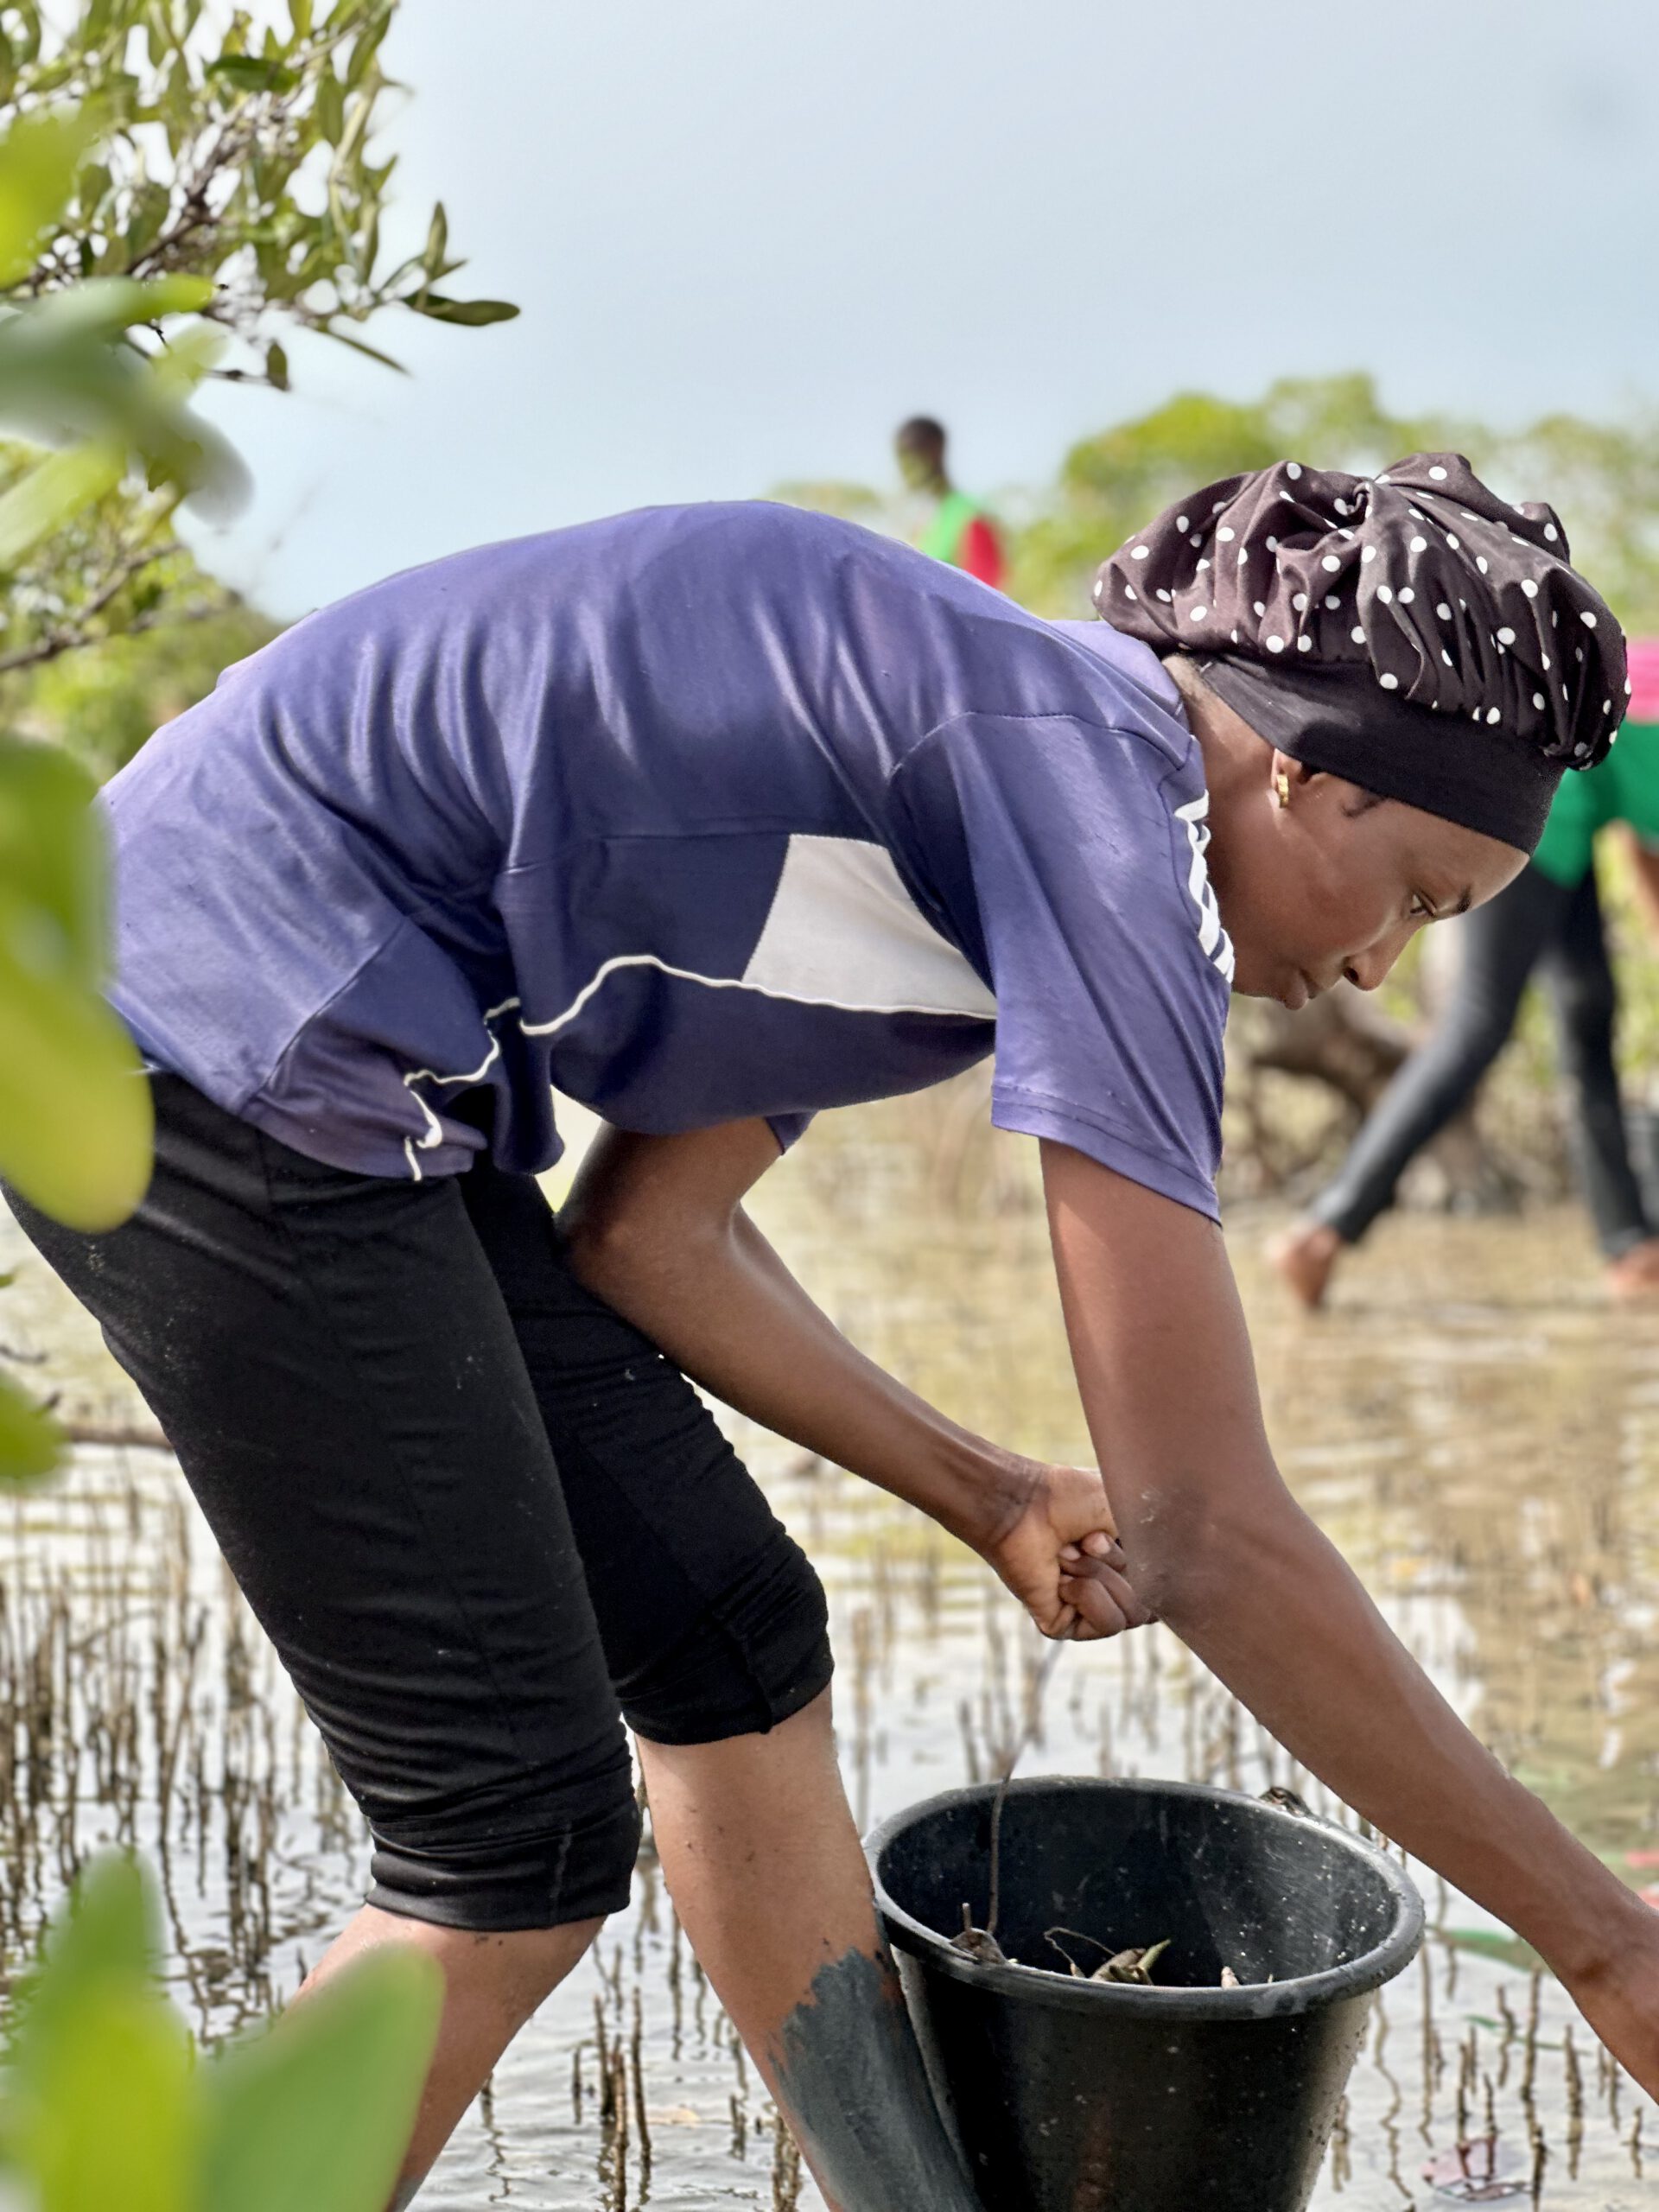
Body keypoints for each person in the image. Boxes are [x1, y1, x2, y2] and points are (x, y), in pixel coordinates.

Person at [8, 461, 1659, 2211]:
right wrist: (1609, 1945)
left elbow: (652, 1237)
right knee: (506, 1845)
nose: (1387, 966)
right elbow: (1209, 1531)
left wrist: (988, 1490)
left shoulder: (992, 816)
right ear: (1305, 768)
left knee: (732, 1633)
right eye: (1412, 891)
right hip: (208, 1034)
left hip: (346, 1073)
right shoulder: (1106, 814)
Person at [1271, 639, 1659, 1308]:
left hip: (1570, 822)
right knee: (1478, 1027)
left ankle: (1630, 1249)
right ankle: (1324, 1230)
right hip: (1523, 817)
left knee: (1589, 1018)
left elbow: (1637, 825)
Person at [895, 414, 1007, 588]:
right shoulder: (924, 523)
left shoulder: (970, 516)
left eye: (910, 455)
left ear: (934, 450)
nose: (903, 468)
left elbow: (987, 599)